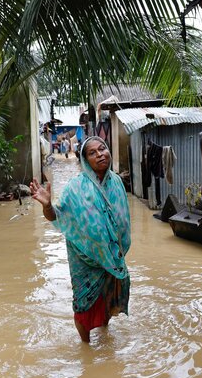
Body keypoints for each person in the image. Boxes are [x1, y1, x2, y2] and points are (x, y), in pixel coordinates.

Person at [30, 136, 131, 343]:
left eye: (102, 149)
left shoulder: (117, 183)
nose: (100, 154)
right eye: (92, 153)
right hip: (83, 257)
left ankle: (105, 330)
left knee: (107, 297)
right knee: (83, 304)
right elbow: (58, 218)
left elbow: (122, 219)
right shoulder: (75, 187)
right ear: (85, 160)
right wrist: (48, 206)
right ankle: (86, 347)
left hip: (111, 255)